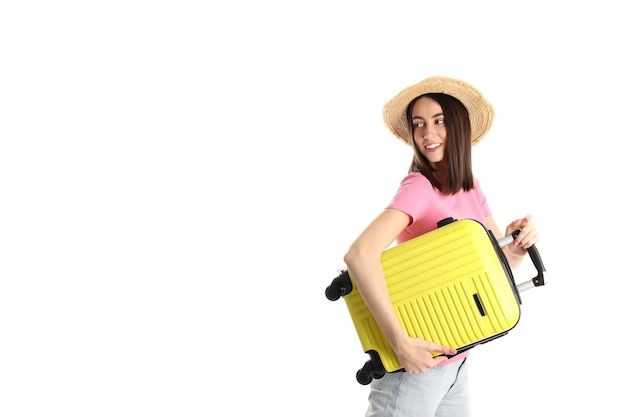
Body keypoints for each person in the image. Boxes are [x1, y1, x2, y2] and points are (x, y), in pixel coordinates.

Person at [343, 76, 539, 417]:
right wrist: (400, 345)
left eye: (439, 121)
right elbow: (359, 255)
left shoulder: (470, 186)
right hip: (414, 369)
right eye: (419, 124)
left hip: (456, 360)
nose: (427, 134)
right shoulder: (419, 187)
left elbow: (496, 267)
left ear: (459, 126)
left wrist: (518, 247)